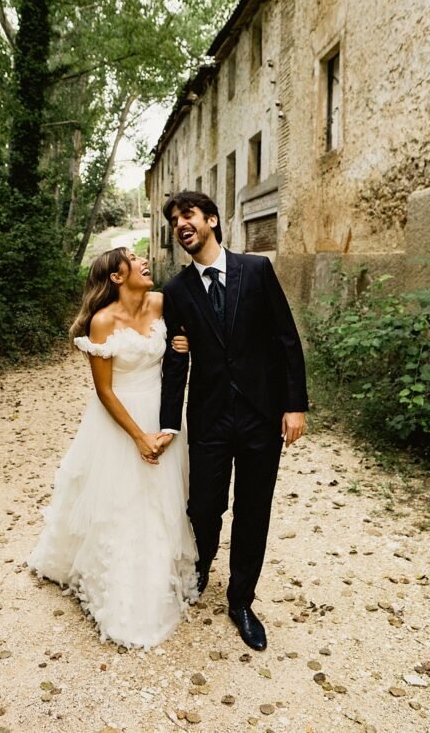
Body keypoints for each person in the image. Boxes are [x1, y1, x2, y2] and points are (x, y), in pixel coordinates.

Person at [158, 189, 308, 651]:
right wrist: (168, 424)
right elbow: (175, 362)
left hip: (262, 416)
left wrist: (294, 405)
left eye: (189, 215)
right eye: (176, 220)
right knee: (203, 505)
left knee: (253, 510)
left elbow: (286, 339)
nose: (182, 224)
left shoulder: (256, 270)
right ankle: (202, 566)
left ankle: (241, 599)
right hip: (209, 417)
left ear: (213, 220)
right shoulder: (177, 291)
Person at [28, 247, 198, 650]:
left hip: (163, 412)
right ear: (118, 277)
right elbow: (104, 391)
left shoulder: (161, 301)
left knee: (161, 501)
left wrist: (184, 343)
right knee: (123, 503)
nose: (145, 261)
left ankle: (159, 574)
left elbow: (194, 332)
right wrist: (139, 436)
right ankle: (122, 595)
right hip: (121, 419)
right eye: (134, 258)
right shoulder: (103, 323)